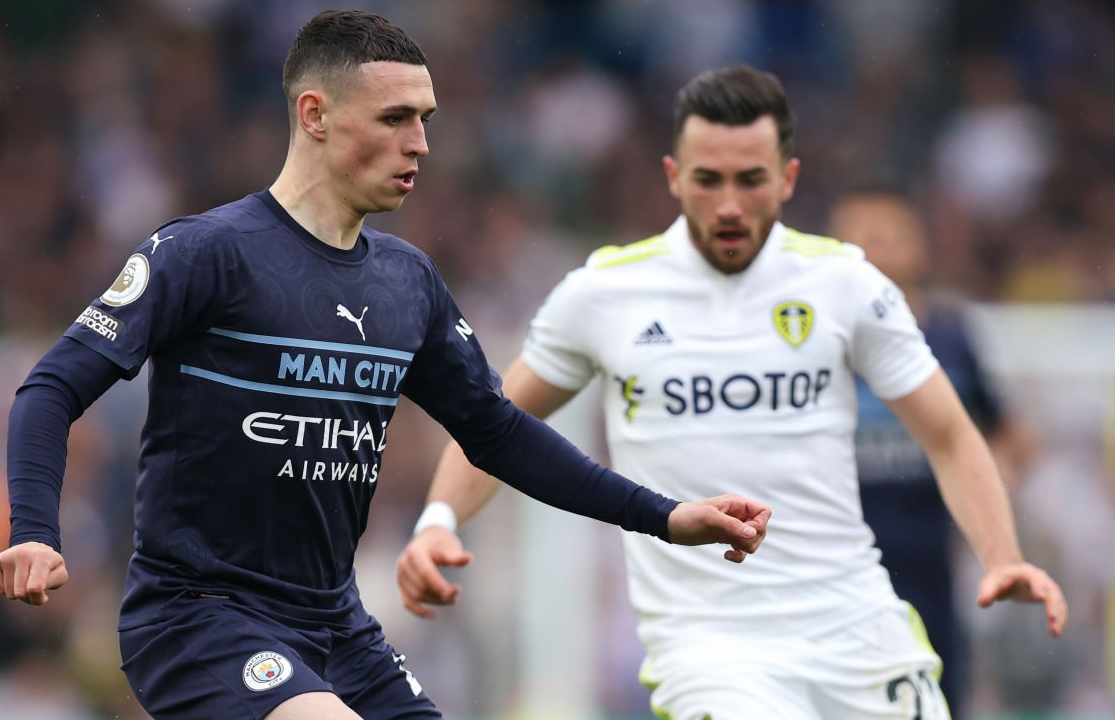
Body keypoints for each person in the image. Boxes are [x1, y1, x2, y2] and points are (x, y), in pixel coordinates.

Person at [0, 12, 770, 720]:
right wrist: (34, 530)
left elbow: (496, 433)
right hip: (199, 619)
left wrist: (665, 518)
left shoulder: (407, 281)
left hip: (336, 627)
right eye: (396, 119)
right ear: (314, 115)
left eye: (425, 121)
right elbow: (52, 387)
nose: (421, 144)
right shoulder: (205, 254)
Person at [396, 65, 1068, 720]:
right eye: (707, 180)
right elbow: (495, 424)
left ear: (788, 179)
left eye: (750, 182)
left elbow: (950, 436)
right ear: (672, 177)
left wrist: (1001, 555)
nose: (727, 206)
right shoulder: (604, 293)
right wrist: (437, 523)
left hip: (860, 631)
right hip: (711, 651)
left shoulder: (846, 284)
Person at [827, 187, 1031, 718]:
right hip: (835, 566)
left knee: (939, 692)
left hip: (931, 564)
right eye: (866, 238)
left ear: (921, 246)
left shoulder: (952, 336)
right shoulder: (814, 339)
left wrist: (995, 498)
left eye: (894, 236)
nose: (882, 251)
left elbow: (1000, 430)